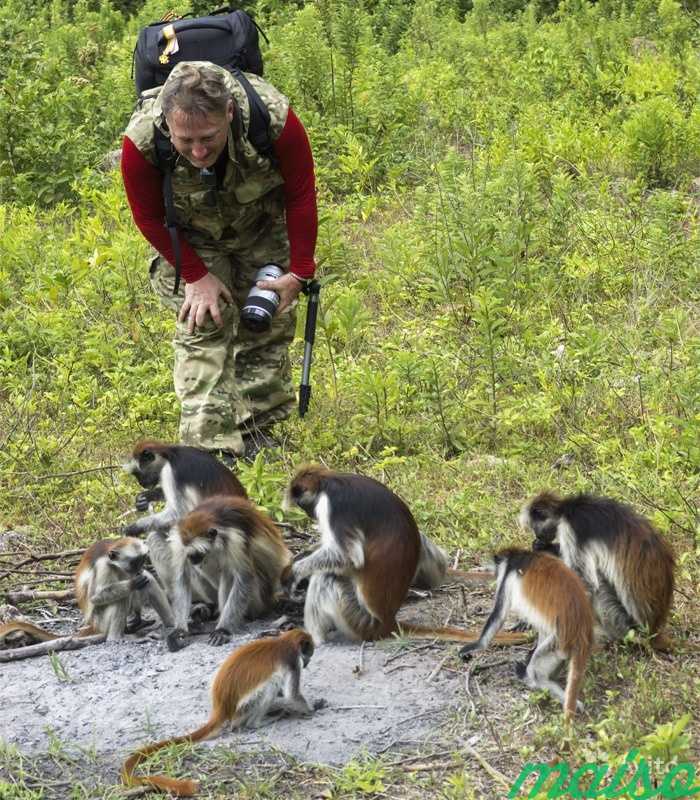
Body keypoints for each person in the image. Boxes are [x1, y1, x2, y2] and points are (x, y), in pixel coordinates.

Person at [121, 61, 317, 460]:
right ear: (167, 124)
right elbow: (147, 217)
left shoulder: (272, 118)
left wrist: (299, 271)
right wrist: (196, 276)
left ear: (228, 112)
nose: (197, 151)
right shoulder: (143, 140)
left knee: (266, 319)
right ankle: (209, 453)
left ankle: (259, 432)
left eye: (208, 137)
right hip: (189, 237)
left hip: (260, 224)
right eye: (184, 140)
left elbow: (300, 193)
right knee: (204, 322)